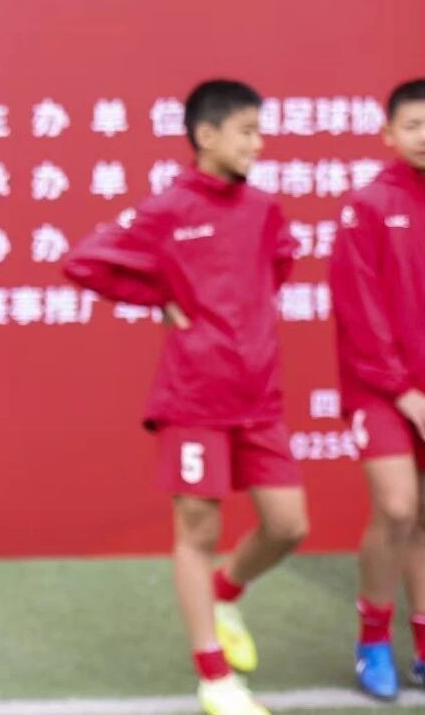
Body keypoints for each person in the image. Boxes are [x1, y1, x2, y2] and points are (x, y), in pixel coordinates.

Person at [64, 80, 308, 715]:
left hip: (260, 399)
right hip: (193, 398)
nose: (258, 143)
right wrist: (160, 297)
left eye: (259, 131)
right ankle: (214, 677)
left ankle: (226, 592)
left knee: (288, 526)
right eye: (247, 131)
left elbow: (279, 268)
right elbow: (85, 262)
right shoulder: (168, 208)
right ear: (206, 135)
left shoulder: (264, 209)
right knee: (197, 532)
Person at [330, 79, 425, 701]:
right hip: (380, 387)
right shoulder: (367, 205)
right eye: (413, 125)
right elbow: (358, 307)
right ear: (388, 134)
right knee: (396, 507)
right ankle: (372, 639)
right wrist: (403, 390)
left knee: (424, 519)